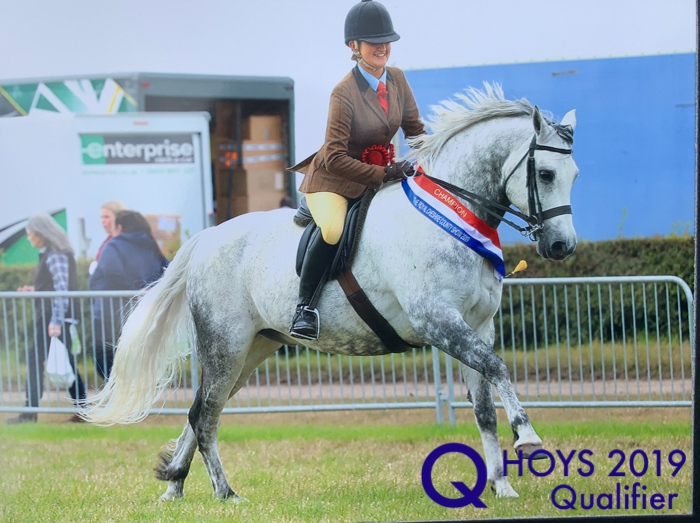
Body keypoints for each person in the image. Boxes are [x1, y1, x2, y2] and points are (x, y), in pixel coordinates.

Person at [286, 0, 425, 340]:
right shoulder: (343, 92)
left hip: (378, 178)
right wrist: (381, 174)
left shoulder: (398, 79)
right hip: (333, 180)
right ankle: (304, 308)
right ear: (354, 46)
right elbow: (334, 157)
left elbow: (415, 131)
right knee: (334, 229)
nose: (383, 47)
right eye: (374, 42)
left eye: (387, 40)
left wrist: (432, 159)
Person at [6, 214, 87, 424]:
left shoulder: (55, 254)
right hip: (56, 317)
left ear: (41, 234)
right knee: (66, 361)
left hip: (54, 318)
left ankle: (30, 412)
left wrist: (56, 321)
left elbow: (61, 290)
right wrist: (35, 290)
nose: (29, 238)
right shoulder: (54, 253)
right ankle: (83, 410)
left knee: (36, 360)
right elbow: (55, 286)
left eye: (30, 234)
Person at [88, 210, 169, 379]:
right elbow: (166, 271)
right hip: (143, 312)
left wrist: (134, 291)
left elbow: (112, 272)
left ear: (119, 227)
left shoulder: (113, 245)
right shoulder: (151, 246)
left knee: (105, 360)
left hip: (109, 313)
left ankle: (117, 391)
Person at [90, 200, 126, 276]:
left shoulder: (123, 240)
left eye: (106, 217)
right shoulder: (109, 239)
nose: (103, 221)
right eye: (101, 217)